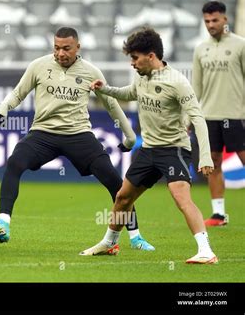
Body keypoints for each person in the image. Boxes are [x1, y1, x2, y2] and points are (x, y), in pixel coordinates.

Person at [0, 27, 155, 251]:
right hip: (43, 132)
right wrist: (4, 108)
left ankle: (136, 236)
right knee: (14, 162)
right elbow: (18, 93)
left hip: (78, 134)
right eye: (57, 47)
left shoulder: (91, 71)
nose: (60, 53)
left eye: (66, 48)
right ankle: (3, 222)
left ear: (77, 48)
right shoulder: (39, 66)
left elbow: (111, 104)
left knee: (114, 181)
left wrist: (129, 137)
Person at [81, 27, 218, 264]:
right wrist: (105, 89)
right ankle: (110, 242)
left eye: (135, 58)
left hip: (173, 149)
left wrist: (204, 156)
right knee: (123, 198)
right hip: (148, 151)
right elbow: (129, 93)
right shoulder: (140, 77)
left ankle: (206, 250)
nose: (132, 63)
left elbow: (197, 118)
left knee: (180, 196)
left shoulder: (177, 82)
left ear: (151, 55)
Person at [192, 1, 245, 227]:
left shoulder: (240, 45)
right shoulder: (200, 49)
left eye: (215, 20)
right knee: (213, 163)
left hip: (235, 115)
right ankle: (219, 214)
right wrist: (190, 117)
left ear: (225, 20)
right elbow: (196, 87)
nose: (211, 25)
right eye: (207, 21)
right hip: (209, 116)